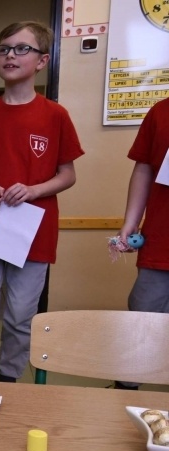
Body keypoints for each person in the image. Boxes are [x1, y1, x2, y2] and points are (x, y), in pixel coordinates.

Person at [0, 21, 84, 383]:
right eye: (4, 49)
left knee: (20, 316)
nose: (10, 55)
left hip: (33, 232)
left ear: (42, 61)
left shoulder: (55, 115)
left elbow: (68, 174)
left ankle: (9, 381)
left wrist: (34, 190)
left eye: (21, 48)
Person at [114, 96, 169, 390]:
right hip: (161, 244)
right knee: (140, 330)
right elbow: (144, 168)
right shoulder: (160, 112)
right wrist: (130, 221)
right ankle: (125, 396)